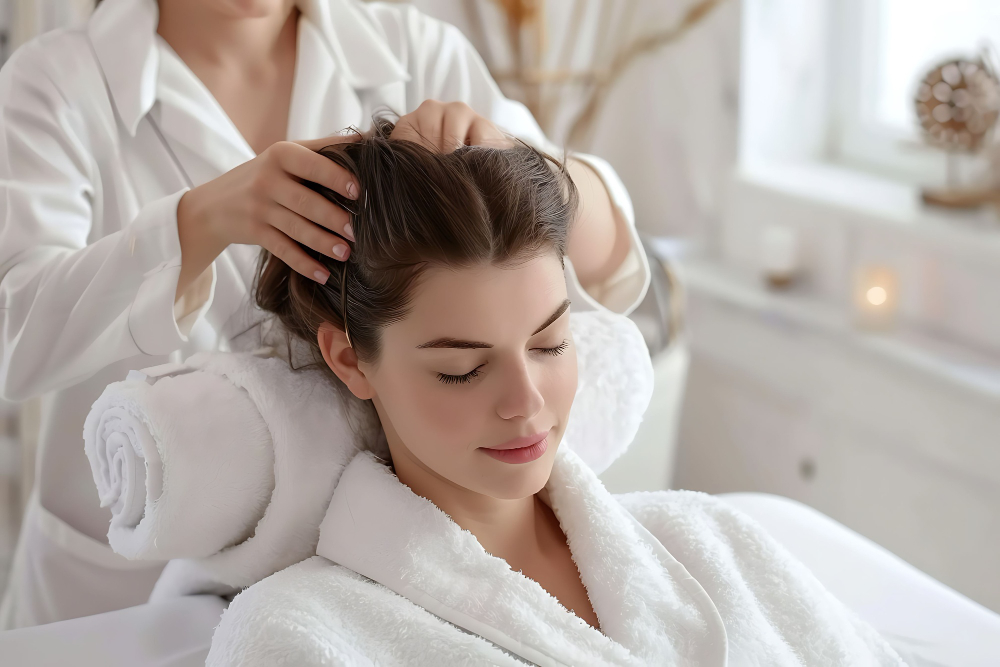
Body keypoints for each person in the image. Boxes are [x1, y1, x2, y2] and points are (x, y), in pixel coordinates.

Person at [0, 0, 649, 628]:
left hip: (369, 584)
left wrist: (518, 157)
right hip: (121, 598)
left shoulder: (410, 51)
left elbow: (605, 252)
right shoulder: (56, 85)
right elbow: (11, 328)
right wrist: (198, 223)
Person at [207, 121, 904, 666]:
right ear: (350, 357)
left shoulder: (709, 541)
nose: (526, 401)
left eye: (550, 344)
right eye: (463, 369)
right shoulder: (299, 633)